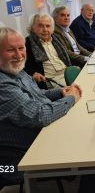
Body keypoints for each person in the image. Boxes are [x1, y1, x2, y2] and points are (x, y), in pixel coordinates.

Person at [0, 27, 82, 183]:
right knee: (87, 153)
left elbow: (36, 94)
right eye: (10, 50)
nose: (18, 55)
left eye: (21, 48)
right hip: (20, 157)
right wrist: (71, 99)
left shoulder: (15, 70)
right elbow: (40, 114)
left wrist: (60, 92)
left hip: (43, 134)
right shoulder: (3, 85)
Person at [24, 13, 72, 89]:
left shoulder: (55, 39)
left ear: (52, 28)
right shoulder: (27, 43)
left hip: (67, 74)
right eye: (40, 26)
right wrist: (32, 73)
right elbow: (22, 66)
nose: (45, 29)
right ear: (33, 28)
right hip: (51, 81)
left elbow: (66, 57)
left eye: (48, 26)